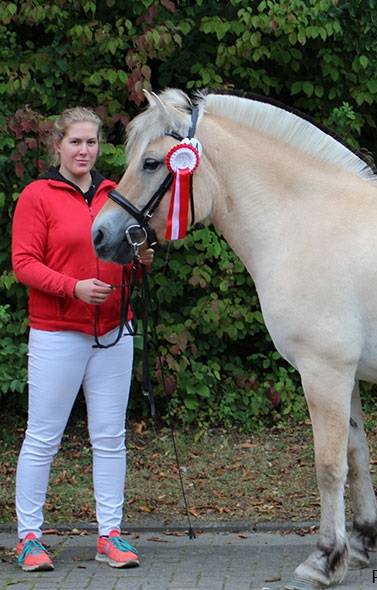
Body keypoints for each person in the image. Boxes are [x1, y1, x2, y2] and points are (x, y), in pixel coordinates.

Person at [11, 106, 154, 572]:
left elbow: (124, 254)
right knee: (43, 439)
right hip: (58, 333)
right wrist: (72, 288)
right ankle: (29, 539)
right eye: (75, 142)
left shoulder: (116, 193)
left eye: (91, 142)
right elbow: (24, 263)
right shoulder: (38, 195)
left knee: (110, 439)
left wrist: (140, 260)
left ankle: (109, 535)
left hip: (114, 331)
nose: (84, 150)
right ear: (58, 145)